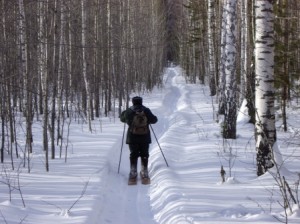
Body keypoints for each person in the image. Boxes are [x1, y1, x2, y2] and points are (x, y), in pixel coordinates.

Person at [120, 96, 158, 181]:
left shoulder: (129, 111)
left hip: (132, 137)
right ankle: (144, 172)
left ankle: (133, 173)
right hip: (145, 137)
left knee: (134, 154)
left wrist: (124, 113)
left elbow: (122, 119)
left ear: (133, 102)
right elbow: (154, 120)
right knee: (144, 154)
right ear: (141, 102)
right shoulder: (146, 110)